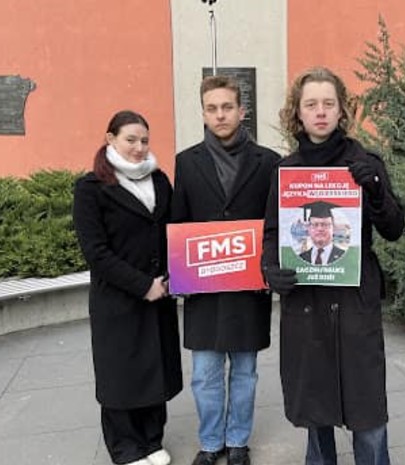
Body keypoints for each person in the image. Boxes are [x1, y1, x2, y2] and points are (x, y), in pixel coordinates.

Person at [261, 67, 405, 465]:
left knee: (368, 410)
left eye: (329, 103)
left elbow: (394, 229)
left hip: (355, 301)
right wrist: (270, 269)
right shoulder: (285, 170)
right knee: (316, 409)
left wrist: (375, 188)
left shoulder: (365, 162)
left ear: (342, 110)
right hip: (306, 301)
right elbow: (273, 231)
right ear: (298, 112)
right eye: (311, 104)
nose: (320, 111)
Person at [172, 75, 280, 465]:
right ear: (203, 113)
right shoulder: (187, 162)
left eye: (227, 107)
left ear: (242, 111)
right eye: (212, 108)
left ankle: (237, 441)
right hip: (203, 286)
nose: (220, 115)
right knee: (204, 373)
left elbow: (275, 223)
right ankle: (210, 442)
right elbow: (178, 220)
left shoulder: (269, 162)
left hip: (248, 286)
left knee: (245, 371)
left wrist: (270, 267)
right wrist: (178, 272)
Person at [73, 110, 182, 465]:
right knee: (120, 374)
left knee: (155, 368)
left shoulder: (159, 180)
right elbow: (96, 252)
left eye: (144, 140)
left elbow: (173, 232)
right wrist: (142, 285)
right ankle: (125, 448)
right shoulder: (91, 188)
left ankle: (152, 440)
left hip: (159, 294)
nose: (139, 147)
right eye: (130, 139)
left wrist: (175, 274)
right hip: (118, 298)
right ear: (111, 139)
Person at [298, 201, 345, 265]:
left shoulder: (343, 256)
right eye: (315, 224)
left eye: (325, 224)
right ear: (309, 229)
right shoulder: (301, 257)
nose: (320, 229)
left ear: (333, 228)